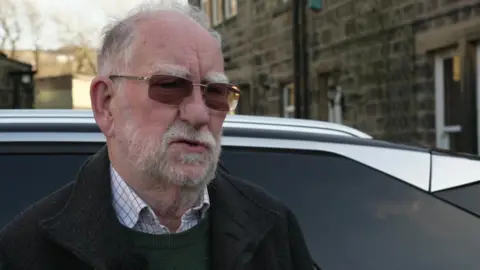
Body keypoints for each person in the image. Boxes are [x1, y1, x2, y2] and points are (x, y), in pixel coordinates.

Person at [0, 1, 316, 269]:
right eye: (169, 86)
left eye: (217, 93)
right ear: (106, 104)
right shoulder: (25, 252)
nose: (199, 114)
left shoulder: (273, 229)